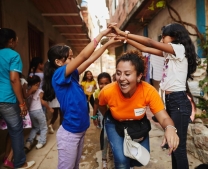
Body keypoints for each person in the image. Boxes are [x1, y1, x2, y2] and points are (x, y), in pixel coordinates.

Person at [110, 23, 198, 169]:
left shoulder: (179, 49)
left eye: (164, 37)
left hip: (179, 103)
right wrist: (123, 38)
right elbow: (145, 49)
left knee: (179, 148)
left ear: (175, 37)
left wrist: (124, 33)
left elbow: (150, 42)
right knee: (174, 146)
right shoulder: (169, 53)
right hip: (172, 102)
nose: (161, 39)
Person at [42, 24, 119, 169]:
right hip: (70, 134)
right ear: (58, 62)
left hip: (79, 131)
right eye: (70, 58)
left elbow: (89, 60)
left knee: (74, 166)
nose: (73, 61)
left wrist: (108, 43)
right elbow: (84, 55)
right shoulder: (59, 75)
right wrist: (102, 33)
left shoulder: (72, 75)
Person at [98, 50, 179, 169]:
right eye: (118, 73)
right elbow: (101, 105)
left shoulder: (149, 91)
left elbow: (164, 117)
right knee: (121, 161)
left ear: (139, 76)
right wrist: (111, 116)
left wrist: (170, 128)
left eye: (127, 74)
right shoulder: (107, 91)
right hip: (114, 123)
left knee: (142, 159)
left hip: (138, 124)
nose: (121, 78)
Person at [0, 28, 35, 168]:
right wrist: (22, 103)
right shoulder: (13, 55)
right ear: (11, 41)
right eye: (16, 39)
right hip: (7, 99)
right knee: (16, 131)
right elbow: (14, 79)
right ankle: (20, 163)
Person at [24, 75, 54, 150]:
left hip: (31, 112)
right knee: (44, 127)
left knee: (35, 128)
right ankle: (41, 142)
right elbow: (42, 102)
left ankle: (29, 142)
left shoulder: (27, 91)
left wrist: (30, 90)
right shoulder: (40, 91)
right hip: (38, 111)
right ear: (38, 83)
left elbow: (25, 96)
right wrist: (49, 108)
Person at [92, 72, 112, 169]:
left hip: (113, 115)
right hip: (103, 115)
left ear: (111, 83)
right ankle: (104, 159)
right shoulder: (97, 92)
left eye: (106, 83)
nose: (103, 86)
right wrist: (94, 116)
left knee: (113, 135)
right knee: (105, 136)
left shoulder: (114, 91)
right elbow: (96, 104)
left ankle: (111, 152)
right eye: (101, 83)